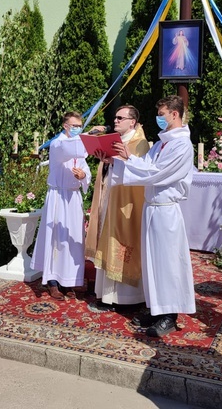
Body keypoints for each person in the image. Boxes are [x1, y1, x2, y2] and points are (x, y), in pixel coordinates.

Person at [103, 95, 196, 337]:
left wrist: (128, 158)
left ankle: (169, 316)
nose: (159, 119)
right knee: (152, 262)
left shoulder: (182, 145)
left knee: (168, 264)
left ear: (174, 115)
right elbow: (142, 164)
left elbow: (156, 173)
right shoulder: (160, 143)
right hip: (151, 207)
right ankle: (156, 310)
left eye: (162, 114)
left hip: (166, 210)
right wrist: (115, 161)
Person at [85, 105, 149, 310]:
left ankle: (126, 299)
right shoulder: (117, 141)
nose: (116, 121)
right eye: (115, 118)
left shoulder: (140, 143)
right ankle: (106, 296)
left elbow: (141, 174)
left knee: (121, 246)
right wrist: (106, 161)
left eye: (121, 118)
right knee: (107, 241)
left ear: (133, 122)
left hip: (127, 204)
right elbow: (114, 169)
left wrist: (117, 161)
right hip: (111, 197)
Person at [32, 112, 91, 301]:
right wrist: (90, 135)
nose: (78, 129)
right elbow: (73, 149)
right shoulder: (58, 144)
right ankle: (52, 282)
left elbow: (85, 165)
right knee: (55, 239)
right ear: (65, 126)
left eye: (80, 126)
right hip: (58, 195)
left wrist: (83, 176)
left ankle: (69, 281)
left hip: (73, 196)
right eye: (74, 126)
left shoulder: (77, 146)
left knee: (73, 238)